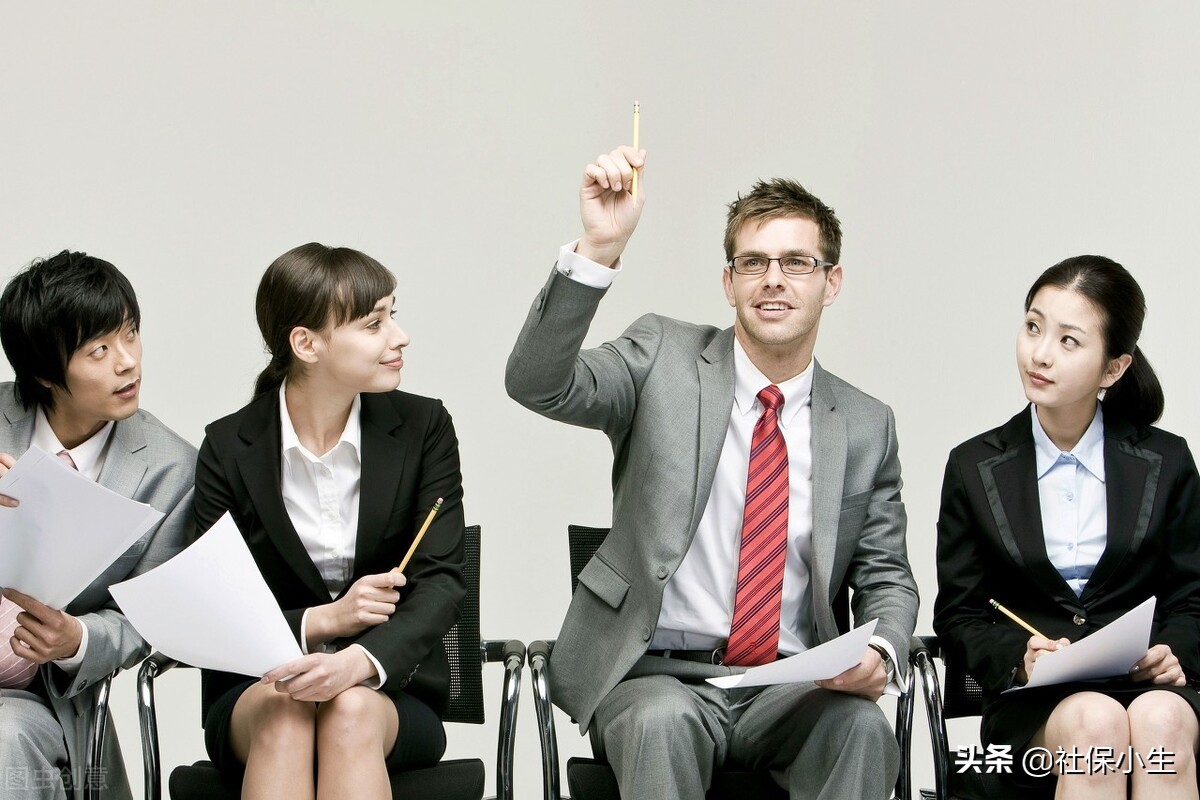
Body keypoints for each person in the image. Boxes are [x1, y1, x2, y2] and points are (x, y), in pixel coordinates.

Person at [505, 146, 918, 799]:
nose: (773, 279)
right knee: (663, 723)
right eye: (753, 263)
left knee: (864, 730)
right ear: (729, 284)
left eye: (796, 263)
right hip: (656, 676)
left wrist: (882, 652)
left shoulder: (866, 424)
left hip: (793, 686)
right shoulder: (661, 356)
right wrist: (597, 248)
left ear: (830, 282)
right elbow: (537, 384)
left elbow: (885, 576)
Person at [193, 243, 465, 800]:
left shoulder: (424, 427)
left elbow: (441, 582)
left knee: (348, 711)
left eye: (393, 314)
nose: (399, 336)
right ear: (306, 343)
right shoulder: (227, 446)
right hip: (257, 685)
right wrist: (322, 621)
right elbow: (210, 605)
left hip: (391, 690)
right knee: (286, 713)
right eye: (374, 323)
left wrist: (359, 662)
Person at [934, 255, 1200, 798]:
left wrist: (1175, 650)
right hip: (1036, 706)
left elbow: (1193, 596)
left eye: (1068, 341)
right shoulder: (973, 465)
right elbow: (959, 612)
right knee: (1093, 724)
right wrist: (1020, 659)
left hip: (1150, 688)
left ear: (1114, 368)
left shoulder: (1166, 460)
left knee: (1161, 725)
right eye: (1033, 327)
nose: (1040, 353)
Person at [0, 251, 195, 800]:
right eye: (100, 350)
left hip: (33, 697)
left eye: (131, 335)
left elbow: (150, 616)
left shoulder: (172, 468)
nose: (128, 362)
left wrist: (76, 640)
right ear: (43, 371)